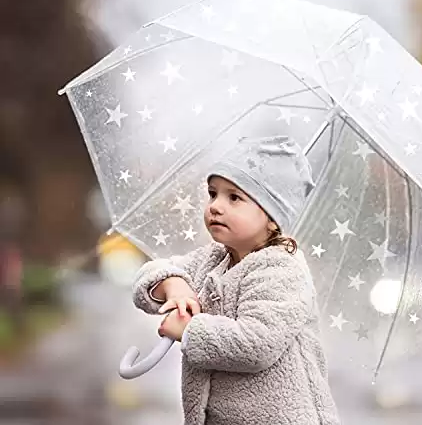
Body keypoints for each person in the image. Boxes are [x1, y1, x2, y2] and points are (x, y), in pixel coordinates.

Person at [132, 136, 340, 425]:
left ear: (272, 216)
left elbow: (257, 344)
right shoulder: (214, 258)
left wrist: (191, 330)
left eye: (234, 198)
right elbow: (152, 273)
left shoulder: (280, 269)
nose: (216, 206)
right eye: (213, 193)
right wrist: (174, 285)